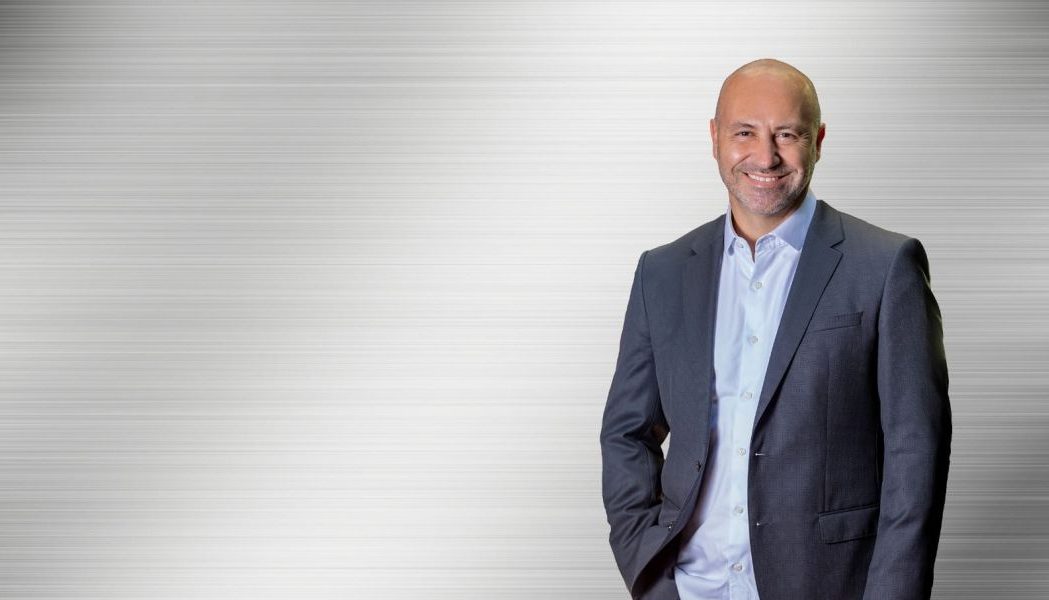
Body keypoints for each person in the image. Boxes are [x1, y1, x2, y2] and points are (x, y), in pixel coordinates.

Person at [599, 59, 952, 600]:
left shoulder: (884, 267)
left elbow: (916, 451)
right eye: (745, 133)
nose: (765, 157)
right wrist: (645, 564)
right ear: (715, 138)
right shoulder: (662, 272)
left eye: (787, 134)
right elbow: (627, 433)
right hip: (691, 588)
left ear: (818, 141)